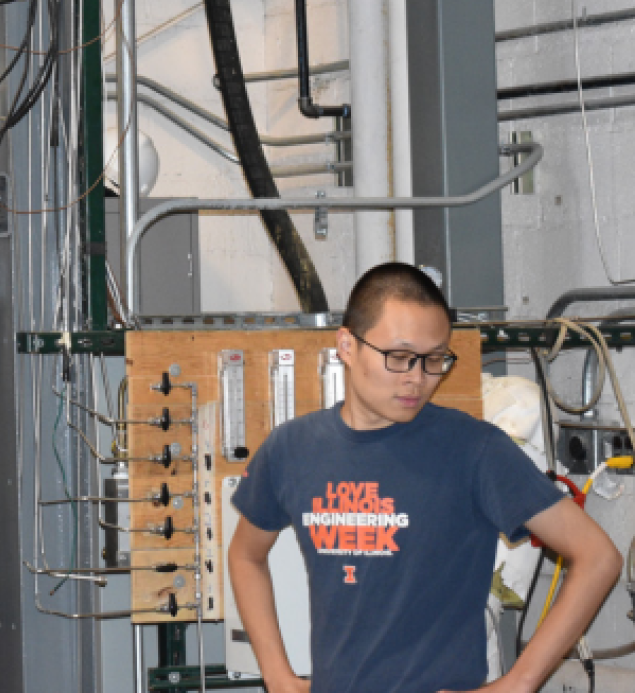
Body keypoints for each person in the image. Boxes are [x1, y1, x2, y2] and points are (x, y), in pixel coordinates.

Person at [229, 263, 620, 693]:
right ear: (346, 345)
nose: (418, 378)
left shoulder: (474, 450)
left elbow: (598, 557)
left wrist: (519, 683)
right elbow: (246, 556)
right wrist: (278, 676)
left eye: (435, 359)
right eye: (399, 357)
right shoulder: (291, 449)